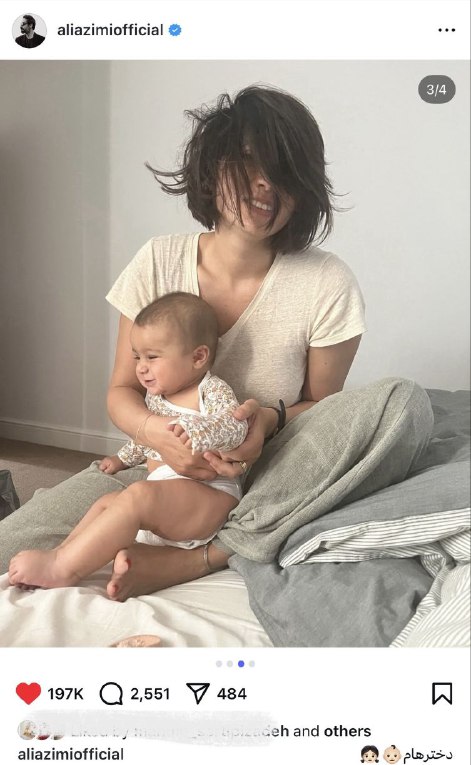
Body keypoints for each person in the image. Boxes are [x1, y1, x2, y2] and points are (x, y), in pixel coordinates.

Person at [0, 85, 430, 608]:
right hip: (156, 466)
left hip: (270, 473)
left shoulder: (327, 282)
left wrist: (264, 422)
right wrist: (160, 438)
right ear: (210, 169)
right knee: (12, 547)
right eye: (248, 161)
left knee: (404, 404)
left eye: (284, 170)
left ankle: (202, 557)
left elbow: (324, 410)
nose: (266, 183)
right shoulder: (157, 261)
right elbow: (121, 391)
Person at [8, 293, 247, 589]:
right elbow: (147, 440)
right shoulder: (157, 397)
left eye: (152, 357)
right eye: (137, 357)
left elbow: (235, 425)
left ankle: (63, 568)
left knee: (137, 496)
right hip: (167, 496)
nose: (141, 367)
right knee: (107, 503)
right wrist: (122, 459)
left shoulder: (210, 390)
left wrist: (198, 432)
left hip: (209, 496)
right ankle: (62, 553)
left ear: (198, 357)